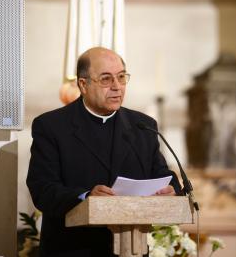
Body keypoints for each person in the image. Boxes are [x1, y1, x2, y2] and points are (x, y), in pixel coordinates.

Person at [27, 47, 182, 257]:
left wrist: (171, 189)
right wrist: (86, 196)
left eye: (121, 77)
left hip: (132, 249)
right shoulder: (52, 126)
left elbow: (164, 176)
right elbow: (42, 189)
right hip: (73, 249)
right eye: (106, 79)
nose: (117, 87)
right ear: (83, 84)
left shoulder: (143, 126)